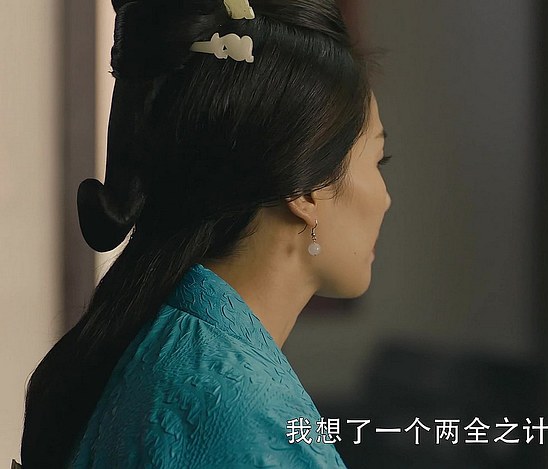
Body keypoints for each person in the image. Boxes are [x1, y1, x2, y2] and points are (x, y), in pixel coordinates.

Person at [19, 0, 391, 466]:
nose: (386, 198)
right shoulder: (247, 422)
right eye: (378, 161)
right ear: (307, 190)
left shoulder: (157, 346)